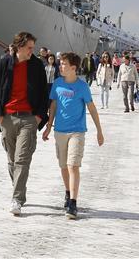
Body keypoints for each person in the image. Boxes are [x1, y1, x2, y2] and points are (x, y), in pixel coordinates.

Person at [0, 31, 49, 216]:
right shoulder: (3, 63)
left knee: (22, 159)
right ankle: (19, 190)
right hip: (7, 118)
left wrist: (38, 117)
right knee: (12, 160)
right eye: (29, 48)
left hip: (29, 118)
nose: (32, 51)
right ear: (19, 47)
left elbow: (44, 94)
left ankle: (17, 199)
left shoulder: (37, 65)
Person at [42, 52, 104, 220]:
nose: (60, 66)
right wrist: (48, 127)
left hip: (77, 131)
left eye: (63, 64)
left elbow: (91, 108)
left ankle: (73, 203)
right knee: (63, 166)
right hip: (59, 131)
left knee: (73, 166)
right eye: (60, 64)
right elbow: (53, 106)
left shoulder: (82, 87)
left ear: (73, 68)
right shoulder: (57, 84)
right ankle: (68, 192)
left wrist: (99, 130)